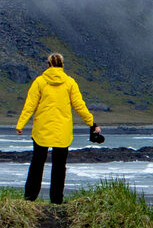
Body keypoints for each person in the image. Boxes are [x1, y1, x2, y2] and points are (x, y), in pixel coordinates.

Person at [15, 53, 102, 203]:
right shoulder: (69, 83)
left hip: (42, 129)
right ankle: (56, 200)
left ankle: (29, 198)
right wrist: (91, 123)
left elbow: (30, 106)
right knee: (59, 166)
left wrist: (20, 124)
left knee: (37, 163)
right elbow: (79, 106)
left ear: (48, 64)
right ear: (62, 64)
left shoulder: (40, 82)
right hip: (63, 130)